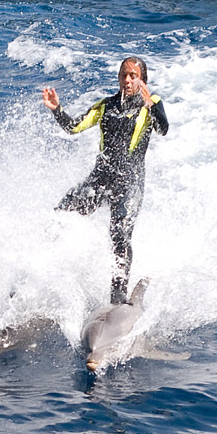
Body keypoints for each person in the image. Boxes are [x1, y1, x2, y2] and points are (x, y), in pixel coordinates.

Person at [42, 56, 169, 304]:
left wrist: (148, 102)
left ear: (142, 79)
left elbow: (163, 129)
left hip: (129, 183)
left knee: (119, 235)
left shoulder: (151, 104)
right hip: (101, 179)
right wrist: (57, 110)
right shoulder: (106, 106)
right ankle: (42, 269)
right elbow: (74, 127)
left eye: (134, 75)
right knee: (62, 213)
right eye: (124, 75)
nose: (128, 80)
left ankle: (118, 293)